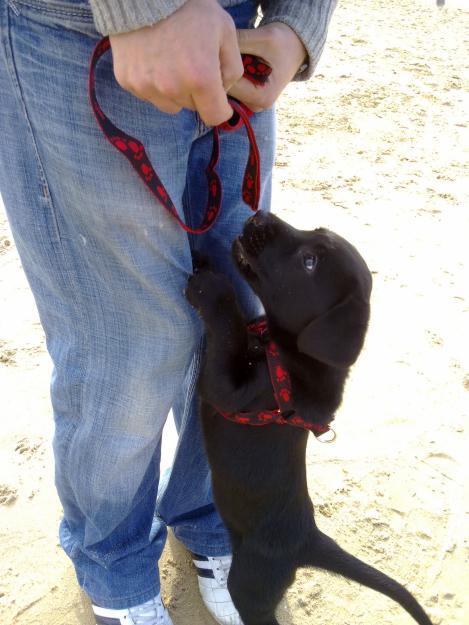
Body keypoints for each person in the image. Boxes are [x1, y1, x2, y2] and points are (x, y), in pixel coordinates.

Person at [0, 0, 336, 624]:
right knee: (126, 344)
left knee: (239, 314)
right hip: (80, 32)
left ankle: (212, 518)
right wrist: (144, 10)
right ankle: (115, 565)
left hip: (242, 41)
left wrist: (297, 23)